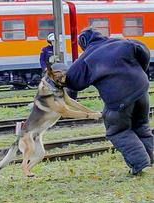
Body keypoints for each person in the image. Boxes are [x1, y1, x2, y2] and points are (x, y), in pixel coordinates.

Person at [66, 27, 153, 175]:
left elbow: (72, 80)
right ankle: (150, 159)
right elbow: (143, 50)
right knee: (141, 126)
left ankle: (140, 163)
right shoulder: (123, 44)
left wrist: (69, 96)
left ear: (83, 43)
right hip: (141, 90)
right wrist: (140, 70)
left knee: (117, 130)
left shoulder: (87, 58)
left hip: (118, 97)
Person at [40, 33, 78, 99]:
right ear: (49, 41)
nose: (53, 42)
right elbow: (42, 60)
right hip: (50, 70)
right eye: (52, 41)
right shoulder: (45, 50)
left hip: (59, 71)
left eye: (54, 41)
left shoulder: (61, 49)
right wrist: (45, 68)